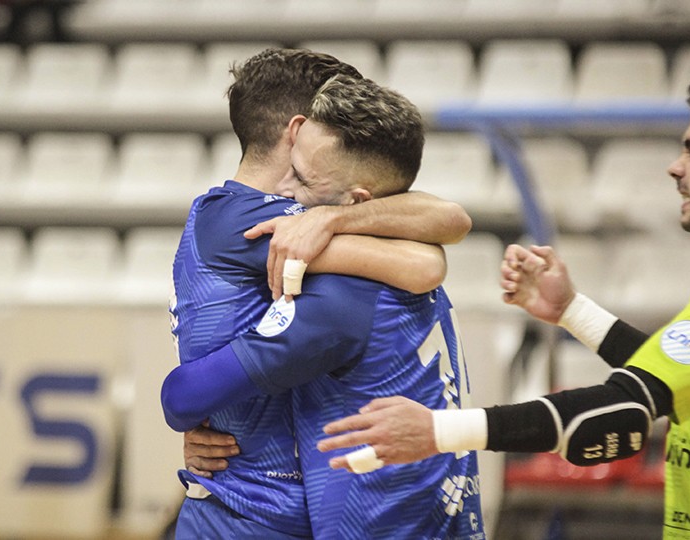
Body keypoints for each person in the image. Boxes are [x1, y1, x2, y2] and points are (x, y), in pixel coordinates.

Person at [318, 70, 690, 538]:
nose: (675, 167)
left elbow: (618, 410)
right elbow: (678, 379)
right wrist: (572, 310)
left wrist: (438, 432)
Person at [165, 48, 472, 539]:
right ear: (301, 129)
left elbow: (449, 218)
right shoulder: (246, 220)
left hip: (297, 509)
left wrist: (335, 217)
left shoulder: (306, 212)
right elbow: (423, 260)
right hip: (247, 514)